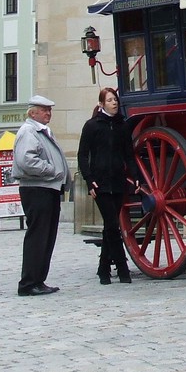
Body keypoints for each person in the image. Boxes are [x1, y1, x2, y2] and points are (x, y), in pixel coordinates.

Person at [77, 87, 140, 285]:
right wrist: (89, 179)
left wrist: (136, 177)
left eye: (115, 99)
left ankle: (103, 268)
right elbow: (82, 154)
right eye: (110, 100)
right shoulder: (92, 126)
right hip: (100, 183)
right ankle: (123, 268)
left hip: (118, 181)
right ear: (102, 104)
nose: (114, 103)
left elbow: (129, 155)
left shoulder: (122, 126)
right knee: (113, 225)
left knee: (109, 227)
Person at [12, 95, 71, 296]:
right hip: (38, 189)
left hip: (47, 188)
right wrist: (52, 170)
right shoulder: (29, 131)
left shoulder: (40, 131)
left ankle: (38, 279)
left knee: (46, 236)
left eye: (50, 110)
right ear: (33, 112)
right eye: (44, 110)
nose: (49, 113)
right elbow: (26, 160)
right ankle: (29, 283)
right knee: (38, 236)